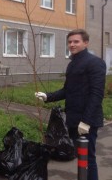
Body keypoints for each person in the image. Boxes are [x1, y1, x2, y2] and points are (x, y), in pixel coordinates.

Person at [35, 29, 106, 180]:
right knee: (81, 158)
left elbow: (96, 94)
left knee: (88, 158)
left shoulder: (95, 63)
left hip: (86, 121)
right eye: (70, 42)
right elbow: (67, 90)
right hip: (73, 119)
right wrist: (48, 96)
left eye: (76, 41)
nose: (72, 44)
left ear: (85, 43)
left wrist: (86, 121)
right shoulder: (72, 64)